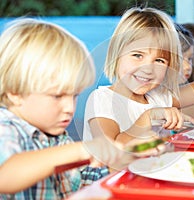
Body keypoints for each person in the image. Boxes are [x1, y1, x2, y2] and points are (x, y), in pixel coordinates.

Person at [0, 18, 135, 199]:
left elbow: (80, 183)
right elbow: (6, 176)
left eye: (74, 96)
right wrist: (81, 150)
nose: (69, 108)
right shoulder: (6, 128)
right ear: (14, 93)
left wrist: (121, 158)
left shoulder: (57, 137)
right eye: (57, 96)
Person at [83, 7, 194, 150]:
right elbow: (112, 151)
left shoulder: (159, 96)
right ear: (116, 54)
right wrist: (148, 117)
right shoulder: (102, 100)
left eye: (159, 61)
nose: (148, 69)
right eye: (138, 55)